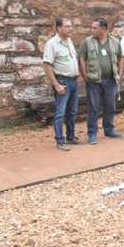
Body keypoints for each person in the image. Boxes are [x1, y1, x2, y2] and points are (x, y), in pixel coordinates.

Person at [79, 18, 124, 144]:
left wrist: (120, 74)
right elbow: (81, 58)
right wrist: (84, 75)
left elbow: (121, 58)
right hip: (94, 81)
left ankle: (109, 130)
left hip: (110, 80)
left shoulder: (115, 42)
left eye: (94, 28)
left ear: (103, 29)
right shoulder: (87, 42)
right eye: (91, 27)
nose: (91, 30)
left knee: (110, 106)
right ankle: (92, 134)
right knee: (93, 107)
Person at [42, 18, 80, 151]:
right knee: (60, 112)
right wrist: (56, 84)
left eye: (71, 26)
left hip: (73, 81)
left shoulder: (68, 41)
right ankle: (60, 140)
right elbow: (47, 65)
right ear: (58, 28)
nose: (70, 29)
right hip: (62, 81)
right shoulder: (52, 44)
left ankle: (70, 137)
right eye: (67, 26)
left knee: (73, 111)